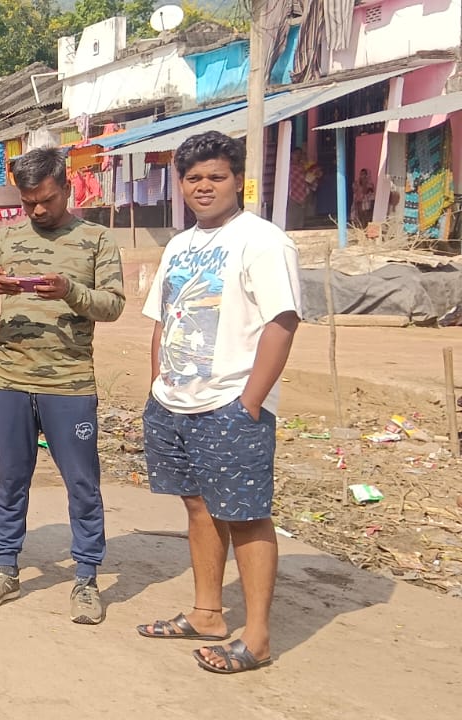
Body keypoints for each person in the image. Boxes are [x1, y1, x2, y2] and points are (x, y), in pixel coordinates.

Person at [135, 131, 300, 675]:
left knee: (248, 516)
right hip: (176, 402)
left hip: (231, 402)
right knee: (199, 506)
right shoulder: (180, 245)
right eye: (193, 178)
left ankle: (257, 637)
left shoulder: (263, 240)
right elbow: (162, 319)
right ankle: (208, 612)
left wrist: (250, 402)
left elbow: (282, 323)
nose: (203, 187)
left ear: (238, 180)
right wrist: (158, 386)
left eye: (216, 177)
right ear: (181, 184)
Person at [0, 147, 125, 624]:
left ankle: (87, 577)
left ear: (66, 187)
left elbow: (112, 306)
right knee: (11, 479)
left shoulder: (96, 240)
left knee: (82, 484)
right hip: (8, 380)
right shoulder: (6, 239)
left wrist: (70, 291)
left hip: (70, 385)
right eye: (28, 201)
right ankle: (6, 568)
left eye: (46, 200)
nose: (37, 210)